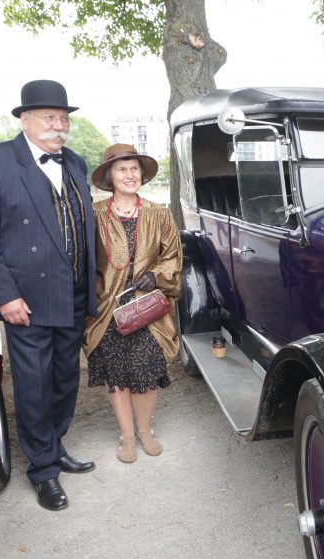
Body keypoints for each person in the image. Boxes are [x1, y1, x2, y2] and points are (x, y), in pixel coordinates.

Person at [0, 80, 97, 511]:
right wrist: (4, 296)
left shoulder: (74, 161)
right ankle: (42, 471)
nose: (59, 127)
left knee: (65, 380)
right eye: (49, 118)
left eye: (64, 119)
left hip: (74, 295)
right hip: (27, 300)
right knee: (34, 385)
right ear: (25, 120)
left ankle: (53, 447)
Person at [83, 145, 182, 463]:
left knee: (146, 371)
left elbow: (173, 258)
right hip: (107, 309)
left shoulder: (159, 213)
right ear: (109, 176)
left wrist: (156, 275)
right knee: (116, 375)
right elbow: (81, 262)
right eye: (121, 169)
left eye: (134, 168)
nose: (129, 174)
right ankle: (126, 437)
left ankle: (145, 431)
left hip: (147, 310)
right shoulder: (94, 214)